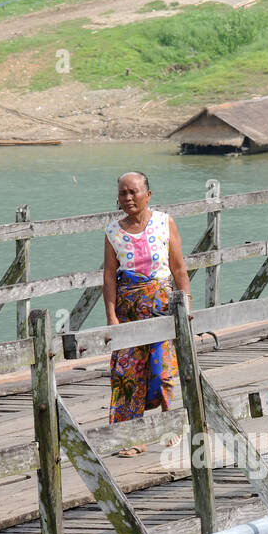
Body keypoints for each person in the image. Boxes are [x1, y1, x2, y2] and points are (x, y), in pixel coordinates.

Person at [103, 171, 191, 446]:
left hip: (163, 310)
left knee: (162, 372)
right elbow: (108, 276)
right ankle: (131, 439)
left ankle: (169, 427)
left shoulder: (165, 223)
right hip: (128, 312)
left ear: (148, 195)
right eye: (122, 193)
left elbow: (178, 269)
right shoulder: (112, 232)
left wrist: (185, 308)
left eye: (133, 192)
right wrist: (111, 316)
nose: (128, 198)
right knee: (129, 375)